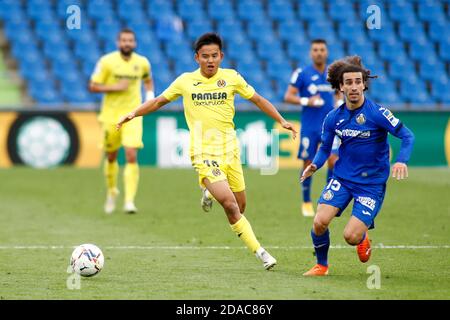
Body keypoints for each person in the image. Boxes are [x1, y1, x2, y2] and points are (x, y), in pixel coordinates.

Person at [116, 33, 297, 270]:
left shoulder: (231, 78)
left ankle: (208, 191)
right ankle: (261, 253)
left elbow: (259, 100)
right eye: (205, 56)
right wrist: (133, 113)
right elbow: (159, 101)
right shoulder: (185, 81)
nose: (210, 61)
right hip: (203, 152)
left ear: (221, 56)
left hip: (230, 149)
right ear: (196, 58)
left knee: (240, 208)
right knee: (230, 206)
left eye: (214, 56)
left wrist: (281, 120)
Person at [300, 56, 415, 276]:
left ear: (364, 84)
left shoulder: (377, 113)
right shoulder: (333, 117)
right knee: (319, 221)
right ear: (341, 87)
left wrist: (401, 160)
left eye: (357, 82)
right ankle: (322, 266)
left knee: (350, 237)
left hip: (371, 184)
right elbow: (325, 147)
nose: (353, 87)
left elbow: (407, 135)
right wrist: (315, 165)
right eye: (349, 82)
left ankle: (362, 235)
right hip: (343, 178)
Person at [89, 28, 154, 214]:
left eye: (130, 40)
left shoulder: (142, 63)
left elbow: (148, 80)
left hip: (133, 114)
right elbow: (92, 86)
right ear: (118, 43)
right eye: (124, 40)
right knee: (111, 156)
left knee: (131, 154)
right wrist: (116, 87)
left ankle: (129, 201)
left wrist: (149, 96)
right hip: (110, 116)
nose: (127, 43)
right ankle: (112, 191)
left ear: (134, 43)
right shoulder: (106, 62)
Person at [284, 39, 339, 217]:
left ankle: (329, 200)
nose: (319, 53)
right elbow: (288, 96)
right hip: (310, 126)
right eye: (315, 50)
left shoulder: (334, 74)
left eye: (322, 49)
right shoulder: (302, 73)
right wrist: (308, 101)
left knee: (333, 160)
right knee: (308, 163)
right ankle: (306, 201)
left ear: (327, 52)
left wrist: (339, 103)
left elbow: (338, 94)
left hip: (330, 127)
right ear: (310, 53)